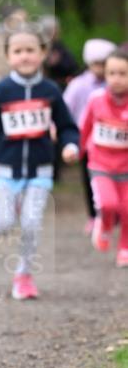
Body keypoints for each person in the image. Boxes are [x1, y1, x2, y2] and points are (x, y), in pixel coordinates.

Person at [0, 24, 80, 300]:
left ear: (42, 53)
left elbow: (66, 125)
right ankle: (11, 209)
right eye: (18, 51)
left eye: (30, 50)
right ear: (8, 55)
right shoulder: (1, 91)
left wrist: (70, 144)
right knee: (0, 225)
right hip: (5, 170)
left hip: (40, 170)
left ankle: (24, 275)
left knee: (31, 224)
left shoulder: (50, 90)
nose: (24, 56)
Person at [79, 49, 128, 267]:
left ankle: (125, 248)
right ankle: (105, 225)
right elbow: (85, 127)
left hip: (126, 167)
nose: (116, 79)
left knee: (126, 208)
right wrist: (76, 149)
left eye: (122, 74)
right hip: (100, 163)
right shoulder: (96, 99)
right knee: (108, 204)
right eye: (111, 73)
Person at [64, 39, 117, 233]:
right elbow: (65, 109)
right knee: (89, 180)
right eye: (96, 64)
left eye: (104, 64)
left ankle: (114, 212)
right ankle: (93, 215)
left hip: (113, 142)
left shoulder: (116, 83)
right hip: (87, 139)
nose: (100, 69)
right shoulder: (78, 85)